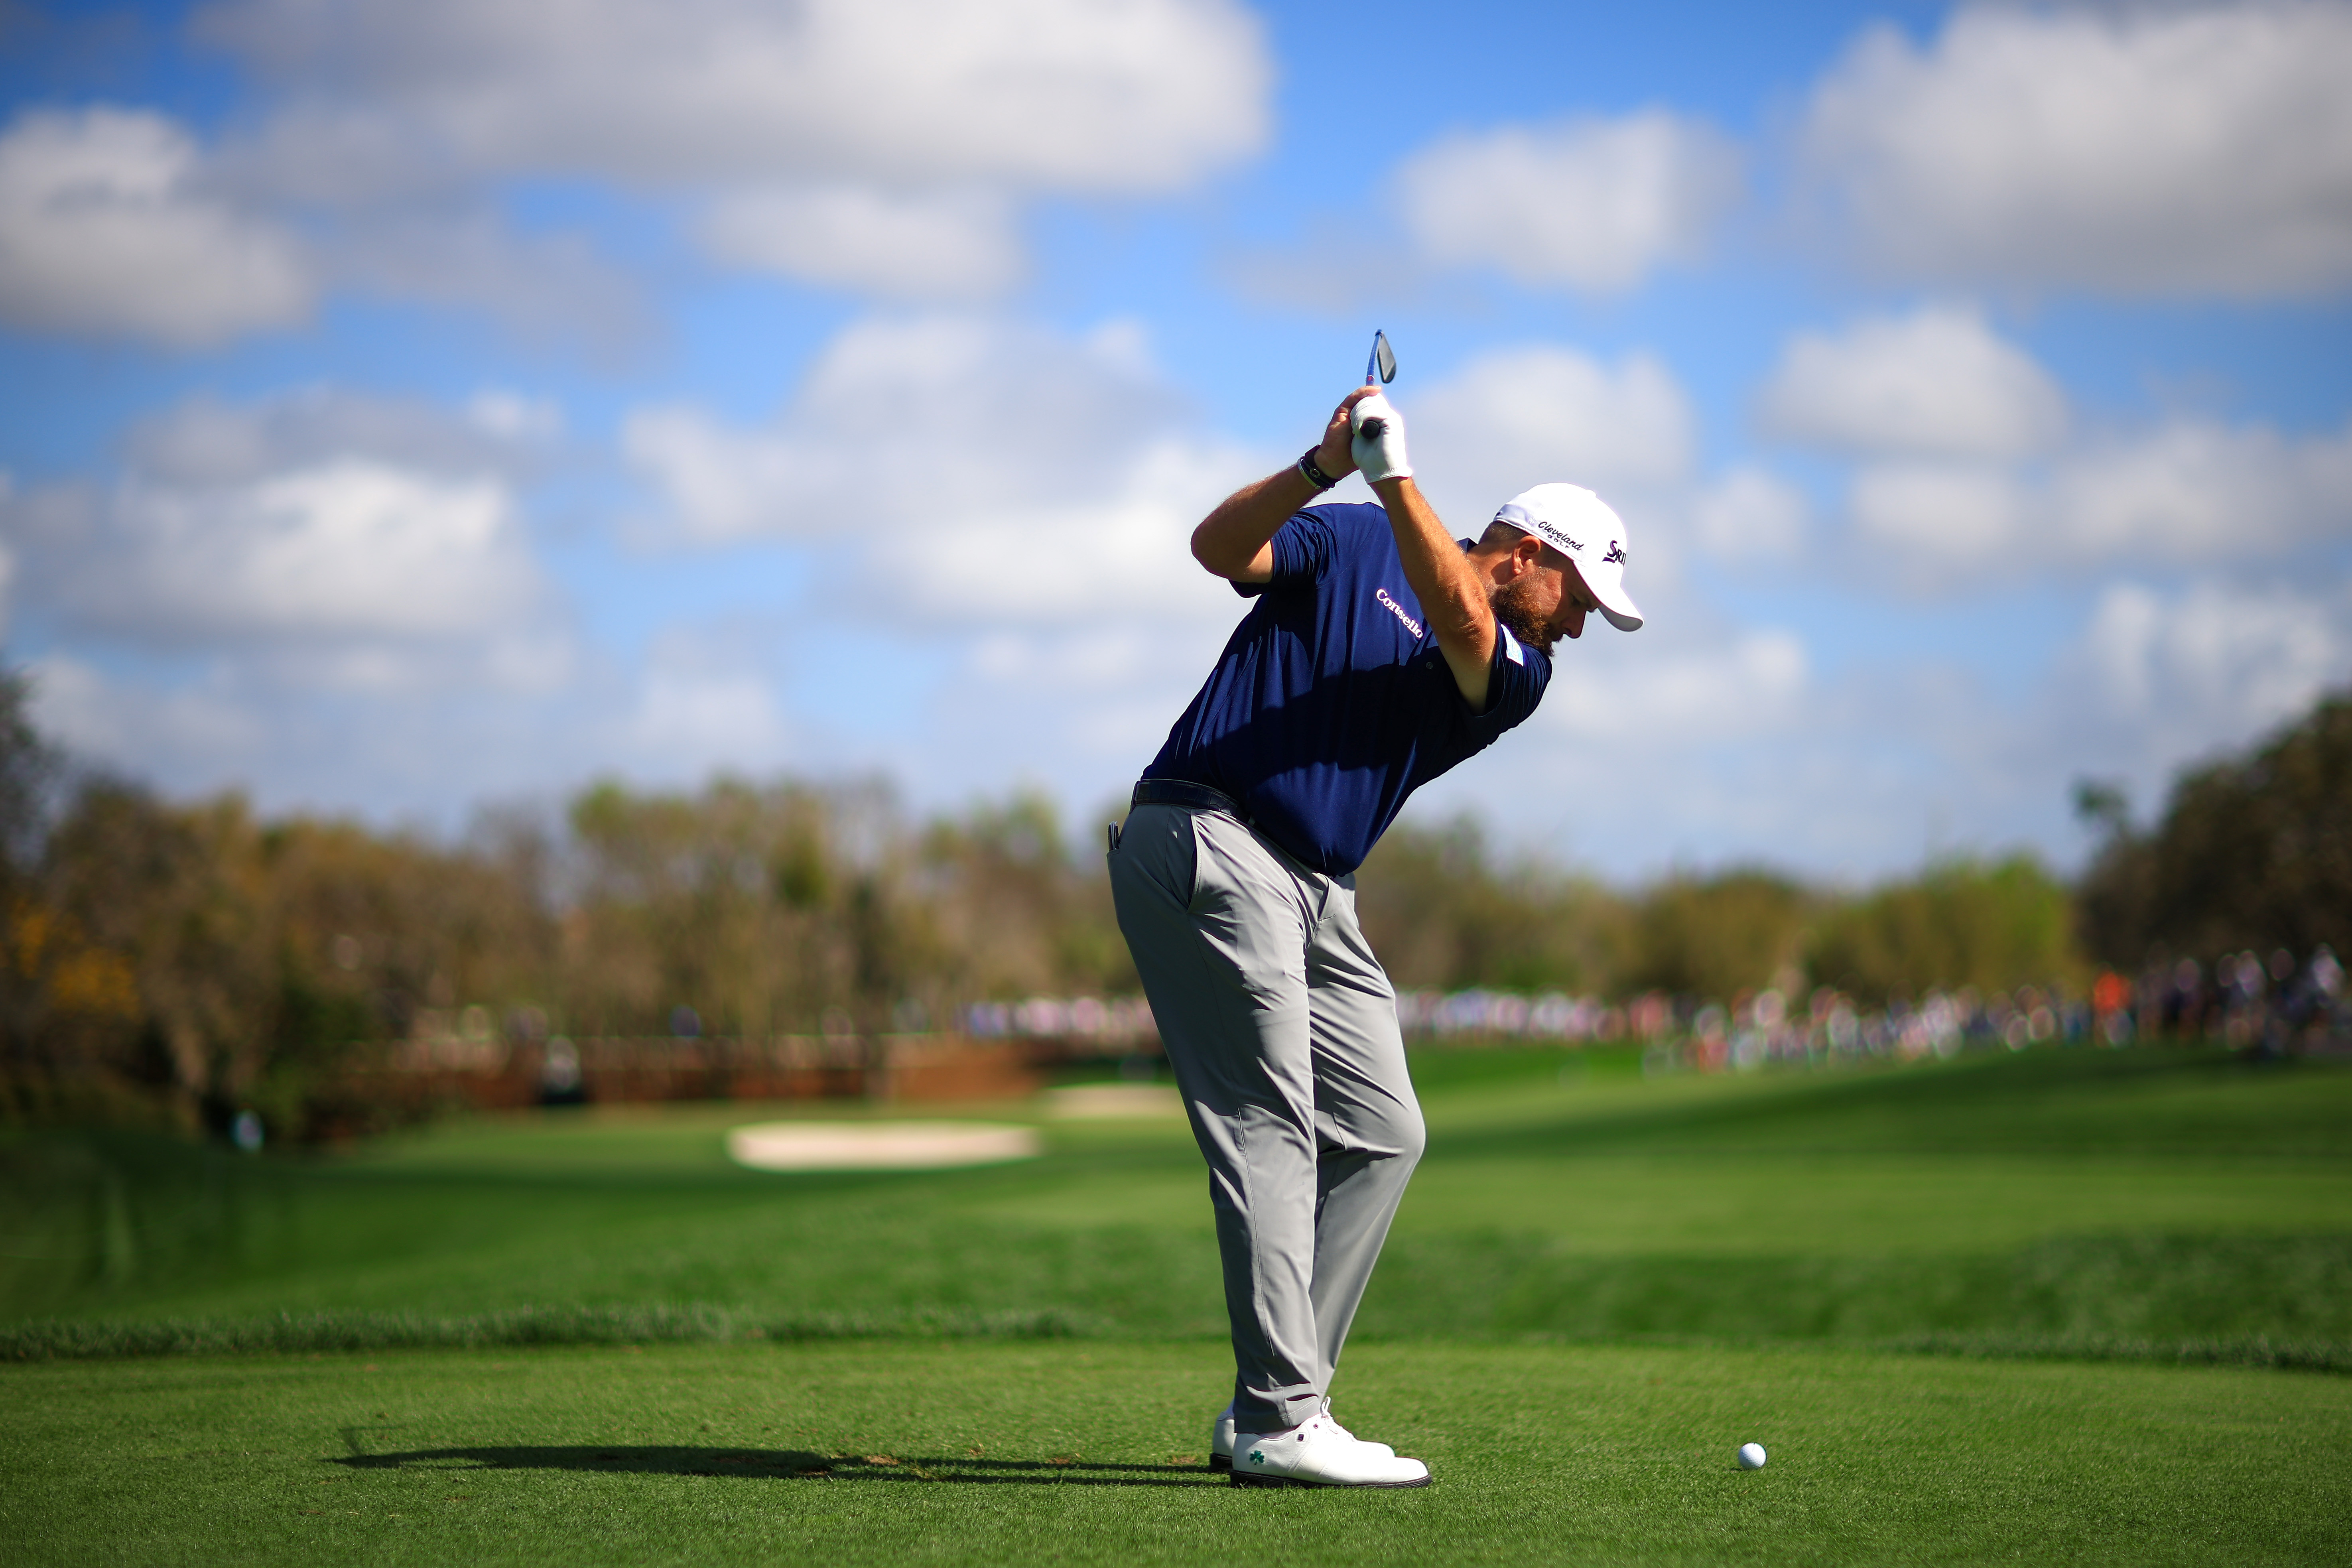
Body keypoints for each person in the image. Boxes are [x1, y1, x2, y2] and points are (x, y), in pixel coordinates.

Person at [1106, 381, 1645, 1488]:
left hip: (1318, 890)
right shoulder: (1352, 534)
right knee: (1271, 1123)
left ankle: (1277, 1393)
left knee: (1386, 1130)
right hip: (1207, 834)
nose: (1583, 619)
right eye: (1580, 589)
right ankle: (1280, 1412)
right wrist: (1322, 467)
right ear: (1526, 552)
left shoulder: (1519, 670)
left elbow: (1458, 619)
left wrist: (1393, 469)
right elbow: (1217, 548)